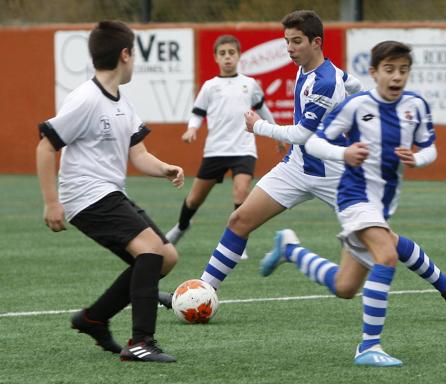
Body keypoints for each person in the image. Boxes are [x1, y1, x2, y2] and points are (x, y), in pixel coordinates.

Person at [260, 41, 446, 367]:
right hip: (353, 196)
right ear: (374, 73)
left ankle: (291, 250)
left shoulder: (416, 106)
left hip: (383, 203)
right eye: (389, 70)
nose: (396, 76)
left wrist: (418, 158)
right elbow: (315, 142)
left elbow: (430, 148)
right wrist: (343, 153)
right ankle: (369, 347)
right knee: (386, 254)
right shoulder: (356, 105)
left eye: (403, 70)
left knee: (345, 287)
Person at [36, 20, 183, 363]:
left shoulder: (122, 102)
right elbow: (46, 146)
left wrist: (165, 168)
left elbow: (139, 155)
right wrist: (51, 202)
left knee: (165, 257)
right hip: (85, 195)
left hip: (107, 193)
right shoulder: (86, 99)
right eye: (135, 55)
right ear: (125, 55)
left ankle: (94, 318)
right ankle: (141, 342)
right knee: (150, 251)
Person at [185, 10, 362, 293]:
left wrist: (259, 127)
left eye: (296, 42)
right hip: (296, 168)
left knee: (379, 243)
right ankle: (203, 292)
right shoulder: (310, 67)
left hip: (333, 175)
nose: (289, 49)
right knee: (239, 220)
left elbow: (301, 134)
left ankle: (444, 285)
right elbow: (355, 85)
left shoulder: (326, 81)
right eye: (287, 42)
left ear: (316, 42)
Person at [165, 35, 277, 261]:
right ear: (216, 57)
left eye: (231, 53)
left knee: (241, 190)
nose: (227, 57)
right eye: (223, 53)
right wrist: (192, 128)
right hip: (215, 151)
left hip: (243, 149)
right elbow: (198, 113)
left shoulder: (250, 84)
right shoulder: (210, 86)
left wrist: (277, 133)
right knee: (195, 199)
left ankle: (238, 240)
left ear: (238, 56)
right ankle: (181, 227)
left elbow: (262, 109)